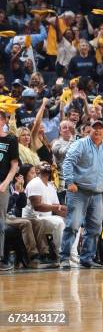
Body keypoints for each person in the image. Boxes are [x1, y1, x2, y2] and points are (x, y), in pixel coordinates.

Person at [60, 120, 103, 268]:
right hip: (79, 191)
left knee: (95, 228)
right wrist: (69, 181)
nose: (97, 131)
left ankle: (86, 258)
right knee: (73, 225)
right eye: (95, 128)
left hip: (98, 194)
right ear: (90, 129)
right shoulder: (80, 144)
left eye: (100, 128)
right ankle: (64, 257)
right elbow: (68, 162)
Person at [0, 109, 20, 271]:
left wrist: (6, 183)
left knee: (0, 222)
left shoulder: (11, 139)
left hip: (2, 185)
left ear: (3, 121)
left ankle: (0, 257)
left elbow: (14, 165)